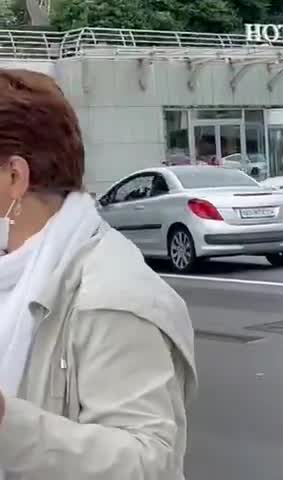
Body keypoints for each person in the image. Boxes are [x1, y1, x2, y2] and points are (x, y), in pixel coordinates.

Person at [0, 69, 197, 479]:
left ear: (15, 177)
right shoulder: (12, 268)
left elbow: (149, 464)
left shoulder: (111, 294)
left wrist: (5, 423)